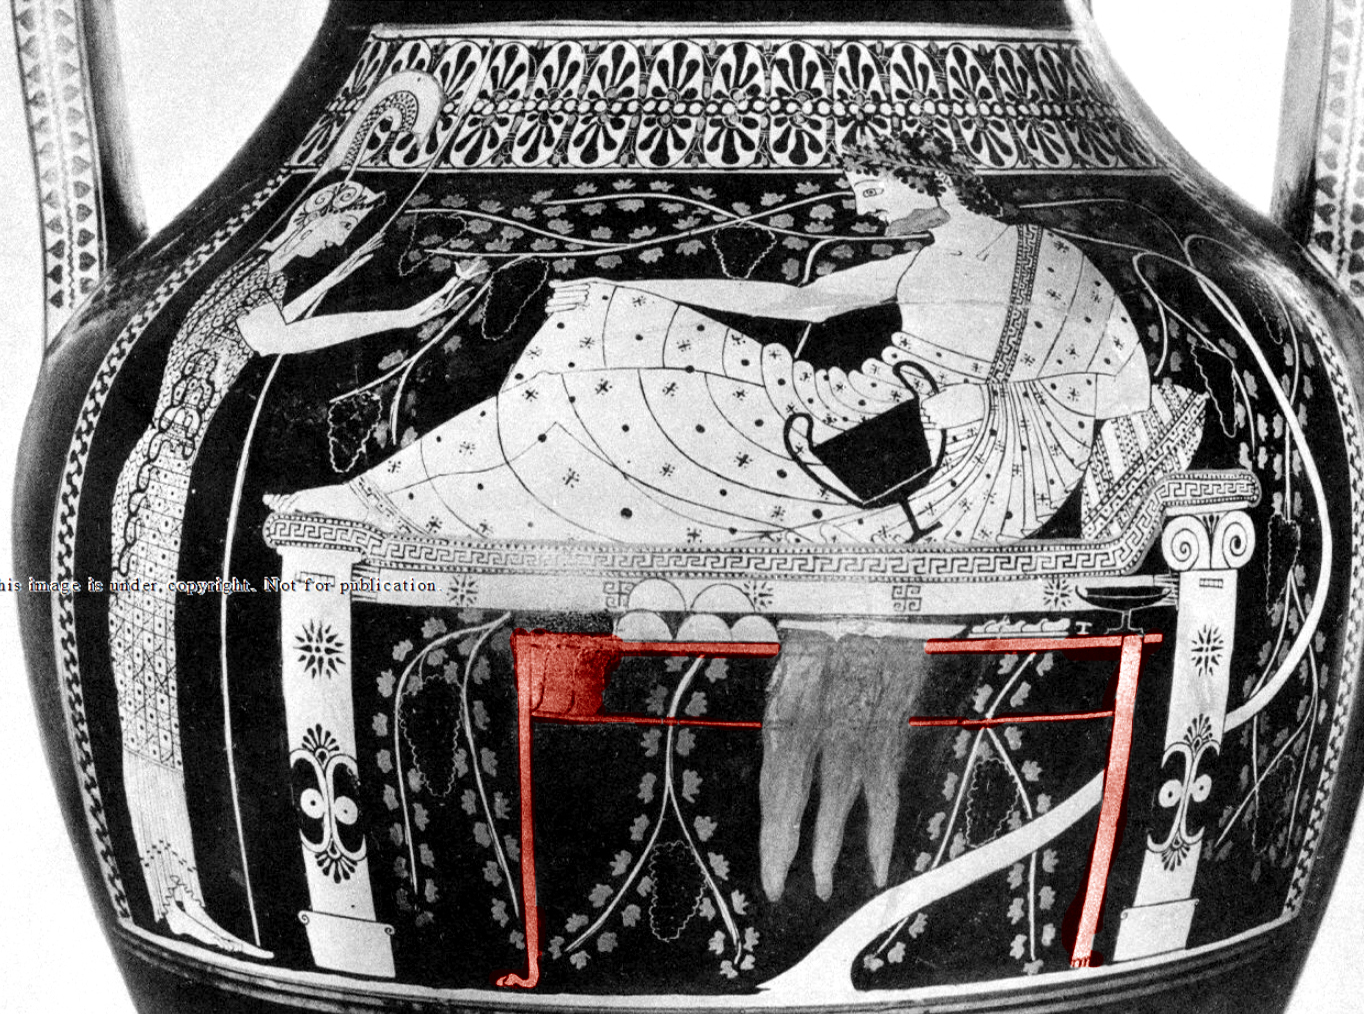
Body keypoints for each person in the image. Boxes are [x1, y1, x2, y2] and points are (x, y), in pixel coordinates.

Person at [268, 133, 1198, 549]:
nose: (863, 207)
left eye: (873, 187)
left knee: (647, 397)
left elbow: (1107, 375)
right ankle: (396, 494)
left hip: (971, 465)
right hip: (881, 415)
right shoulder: (928, 258)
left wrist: (981, 402)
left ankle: (406, 498)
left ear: (932, 178)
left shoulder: (1031, 253)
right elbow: (793, 301)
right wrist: (632, 286)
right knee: (614, 334)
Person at [110, 178, 461, 953]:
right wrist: (403, 314)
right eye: (337, 228)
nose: (338, 240)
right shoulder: (249, 277)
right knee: (150, 685)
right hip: (163, 478)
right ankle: (173, 895)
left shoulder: (253, 273)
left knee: (160, 685)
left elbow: (279, 316)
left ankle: (179, 895)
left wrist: (346, 272)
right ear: (315, 215)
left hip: (166, 470)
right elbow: (280, 337)